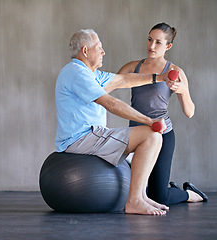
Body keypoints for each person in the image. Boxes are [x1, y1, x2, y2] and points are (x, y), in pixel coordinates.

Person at [55, 29, 172, 215]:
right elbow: (110, 103)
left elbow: (124, 80)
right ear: (85, 51)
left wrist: (159, 77)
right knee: (151, 136)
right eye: (99, 48)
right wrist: (149, 120)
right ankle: (134, 201)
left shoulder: (91, 74)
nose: (103, 52)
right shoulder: (76, 73)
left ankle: (140, 196)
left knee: (152, 137)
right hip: (81, 139)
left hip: (91, 135)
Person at [117, 22, 208, 204]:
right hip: (135, 135)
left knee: (159, 197)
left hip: (162, 135)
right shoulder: (133, 67)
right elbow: (109, 84)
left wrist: (183, 90)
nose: (151, 46)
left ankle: (190, 194)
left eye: (158, 42)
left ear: (168, 46)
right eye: (150, 40)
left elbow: (190, 112)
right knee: (133, 189)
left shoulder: (176, 72)